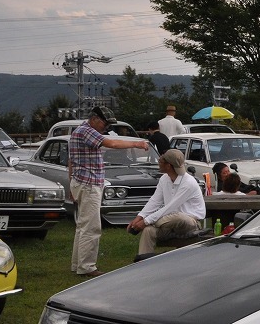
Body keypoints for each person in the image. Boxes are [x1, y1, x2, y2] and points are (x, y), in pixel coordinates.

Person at [68, 106, 151, 276]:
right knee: (91, 227)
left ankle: (78, 264)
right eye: (105, 124)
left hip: (81, 182)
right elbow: (111, 143)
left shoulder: (79, 131)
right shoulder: (87, 131)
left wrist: (71, 184)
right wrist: (137, 143)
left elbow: (71, 161)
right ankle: (87, 267)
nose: (106, 129)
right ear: (95, 119)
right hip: (89, 184)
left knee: (83, 226)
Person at [128, 149, 207, 262]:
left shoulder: (188, 182)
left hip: (190, 222)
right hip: (167, 222)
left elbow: (171, 207)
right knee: (148, 231)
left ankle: (152, 223)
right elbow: (155, 201)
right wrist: (139, 217)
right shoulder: (164, 179)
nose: (159, 161)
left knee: (179, 216)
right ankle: (143, 263)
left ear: (168, 166)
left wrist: (146, 221)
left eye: (161, 160)